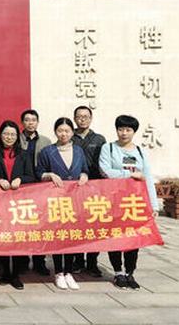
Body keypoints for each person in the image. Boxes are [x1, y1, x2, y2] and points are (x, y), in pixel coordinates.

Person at [99, 115, 159, 291]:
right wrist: (130, 174)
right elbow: (105, 171)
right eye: (120, 129)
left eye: (128, 130)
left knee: (134, 239)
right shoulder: (108, 148)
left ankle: (130, 273)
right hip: (114, 201)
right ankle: (118, 272)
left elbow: (147, 178)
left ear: (134, 132)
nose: (124, 133)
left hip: (134, 202)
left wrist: (153, 205)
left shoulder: (140, 151)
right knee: (115, 236)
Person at [36, 117, 88, 291]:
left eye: (67, 131)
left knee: (72, 235)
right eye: (60, 131)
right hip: (55, 199)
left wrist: (84, 176)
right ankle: (58, 272)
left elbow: (85, 169)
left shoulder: (79, 151)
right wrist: (49, 175)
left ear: (72, 132)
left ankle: (69, 272)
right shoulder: (47, 151)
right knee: (58, 235)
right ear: (55, 132)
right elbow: (39, 172)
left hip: (75, 199)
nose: (63, 134)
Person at [0, 120, 36, 290]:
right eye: (6, 134)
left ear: (17, 136)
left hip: (18, 203)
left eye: (13, 134)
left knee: (17, 239)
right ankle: (5, 272)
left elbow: (31, 176)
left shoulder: (24, 154)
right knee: (3, 237)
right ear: (0, 135)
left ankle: (15, 275)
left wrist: (20, 179)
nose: (9, 137)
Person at [72, 105, 107, 277]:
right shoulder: (70, 136)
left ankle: (92, 262)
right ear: (75, 119)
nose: (82, 119)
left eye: (86, 116)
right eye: (79, 116)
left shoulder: (99, 139)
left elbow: (104, 162)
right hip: (75, 186)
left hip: (95, 186)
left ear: (91, 118)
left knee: (94, 224)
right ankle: (78, 260)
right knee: (77, 223)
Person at [19, 109, 52, 276]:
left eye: (33, 120)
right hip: (21, 188)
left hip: (40, 188)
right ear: (22, 122)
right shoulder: (15, 138)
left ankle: (40, 261)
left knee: (40, 225)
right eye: (27, 120)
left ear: (37, 122)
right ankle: (23, 261)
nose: (30, 123)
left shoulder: (46, 141)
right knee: (22, 225)